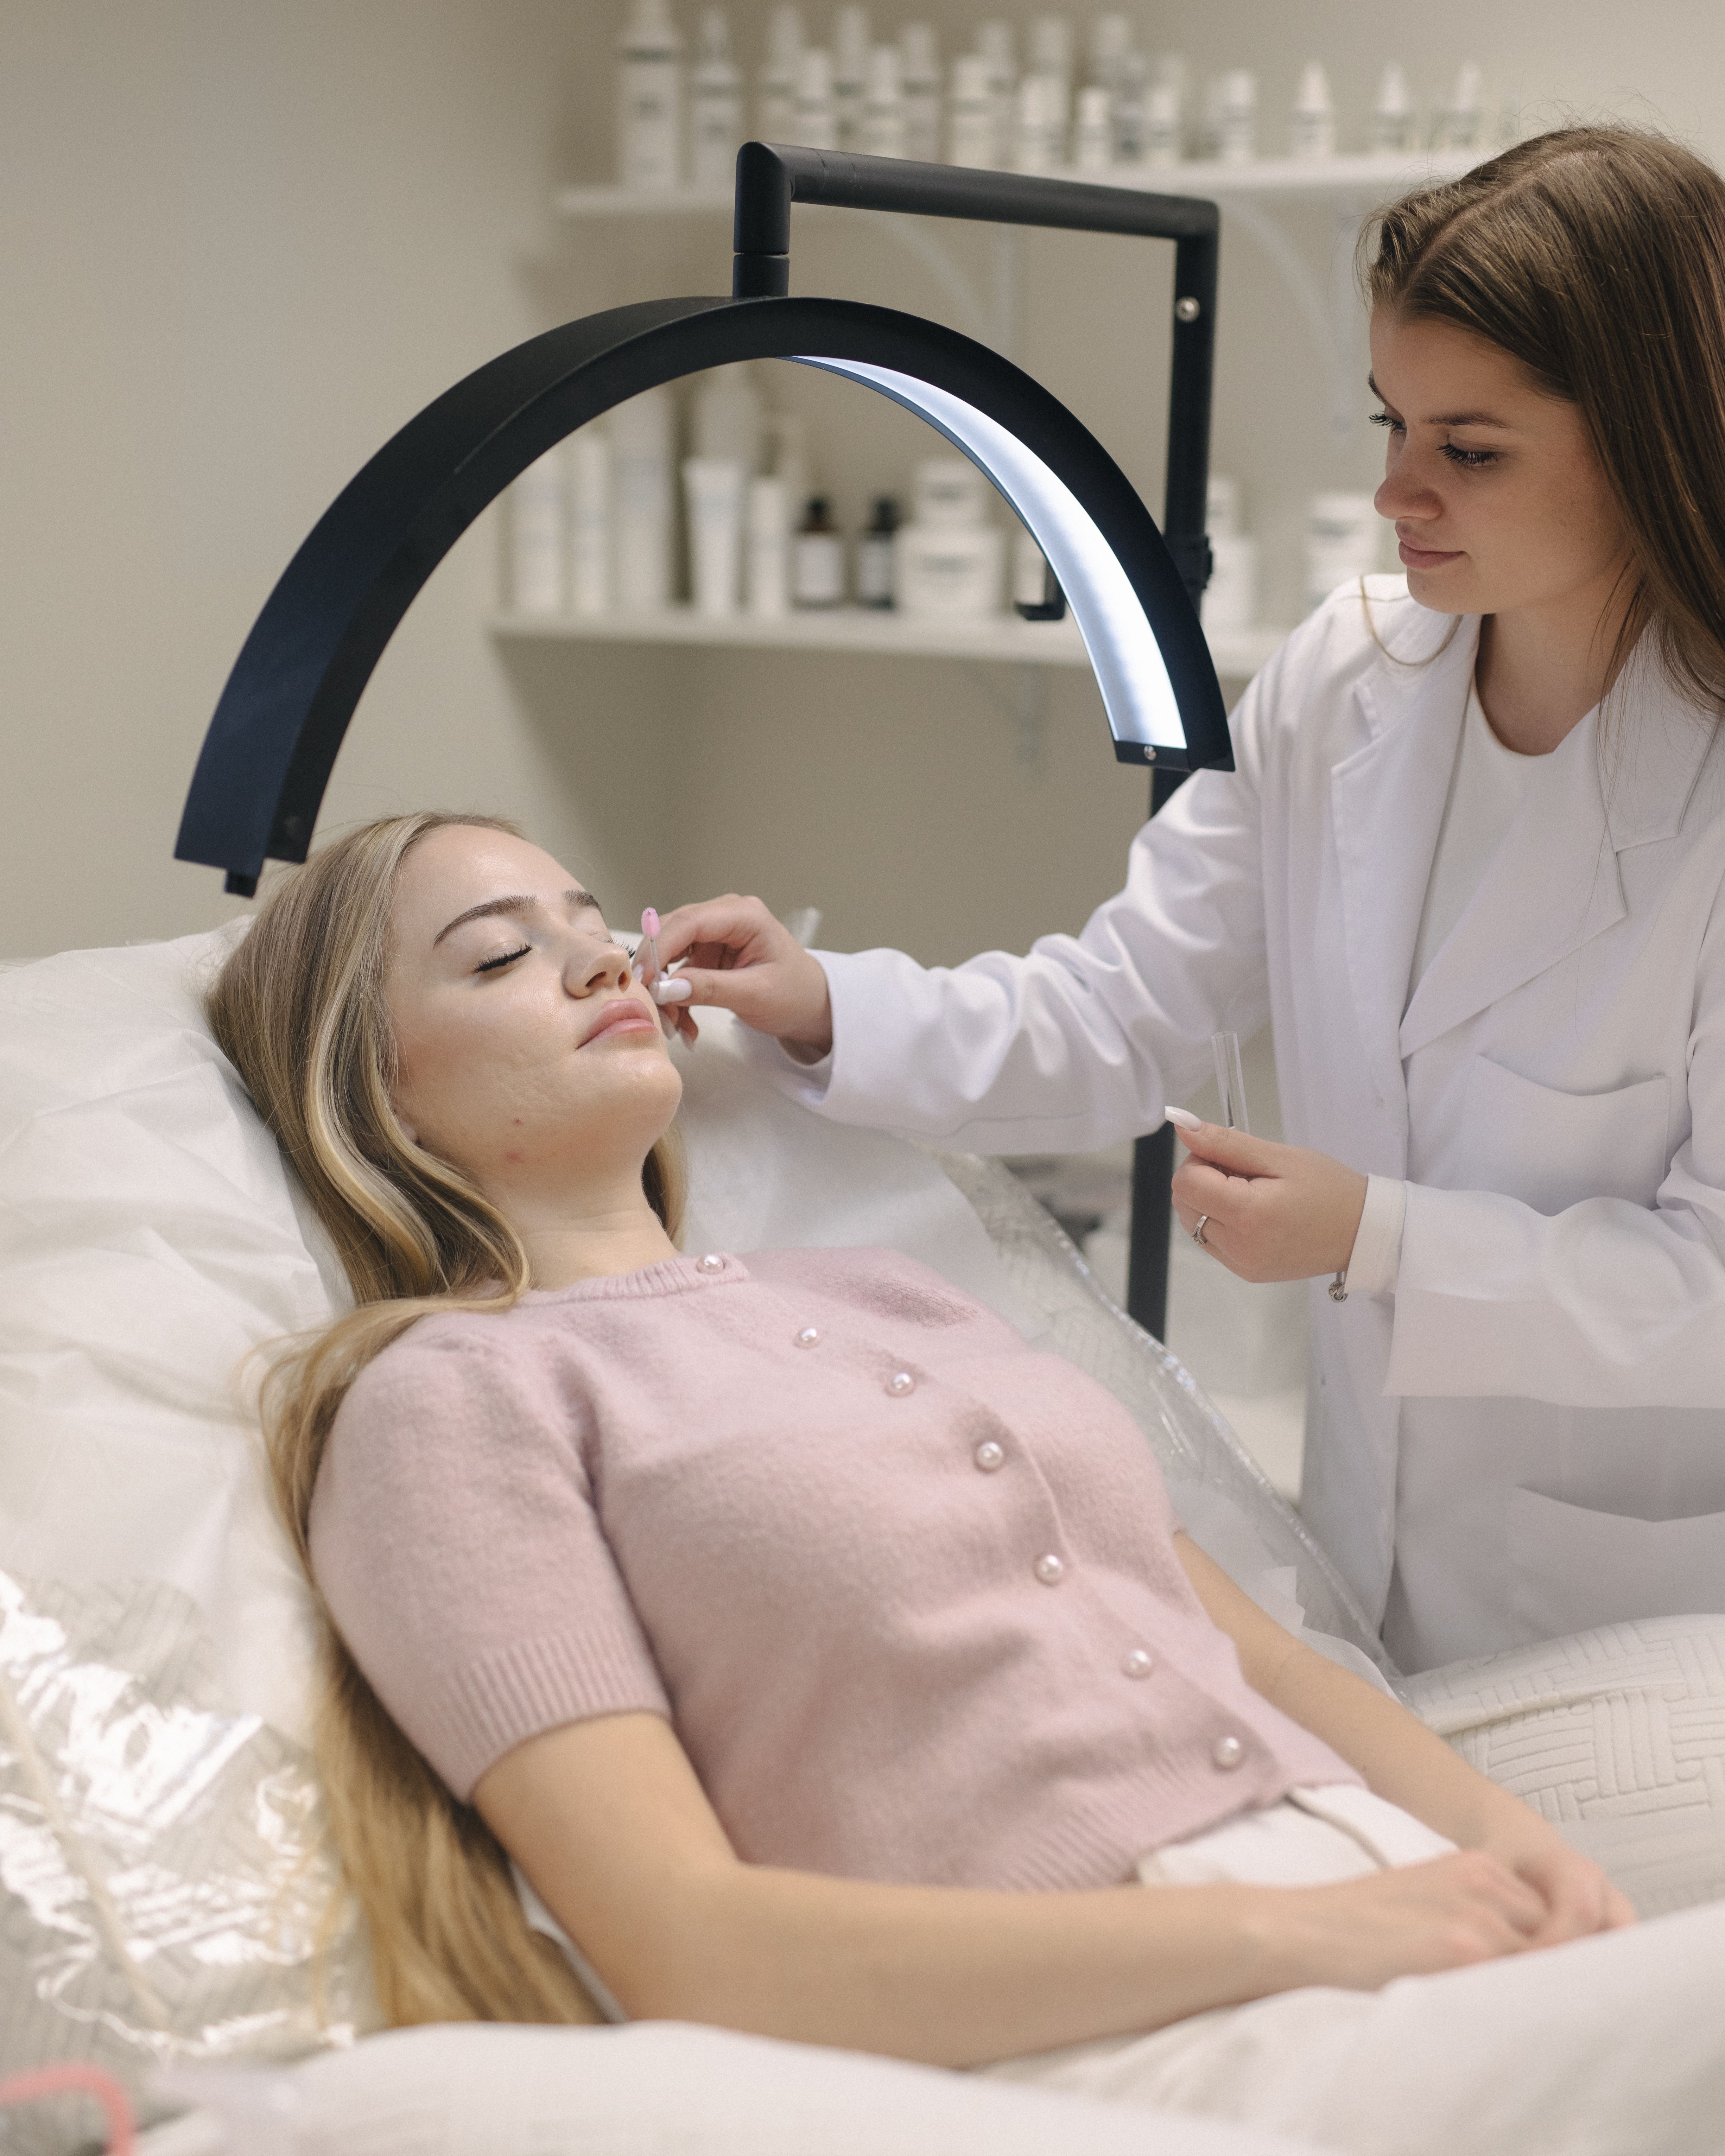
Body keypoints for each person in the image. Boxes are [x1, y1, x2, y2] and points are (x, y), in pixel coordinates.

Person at [208, 811, 1725, 2156]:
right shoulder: (446, 1405)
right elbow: (685, 1947)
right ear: (378, 1098)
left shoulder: (887, 1294)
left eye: (594, 924)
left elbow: (1243, 1650)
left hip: (1403, 1926)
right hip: (1113, 2047)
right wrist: (1286, 1934)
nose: (602, 962)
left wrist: (1516, 1850)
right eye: (496, 960)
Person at [652, 126, 1725, 1675]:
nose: (1392, 493)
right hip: (1367, 1559)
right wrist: (828, 1001)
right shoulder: (1345, 677)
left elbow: (1708, 1296)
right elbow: (1117, 1013)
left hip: (1637, 1617)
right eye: (1389, 424)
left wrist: (1376, 1239)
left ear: (1655, 442)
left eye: (1467, 451)